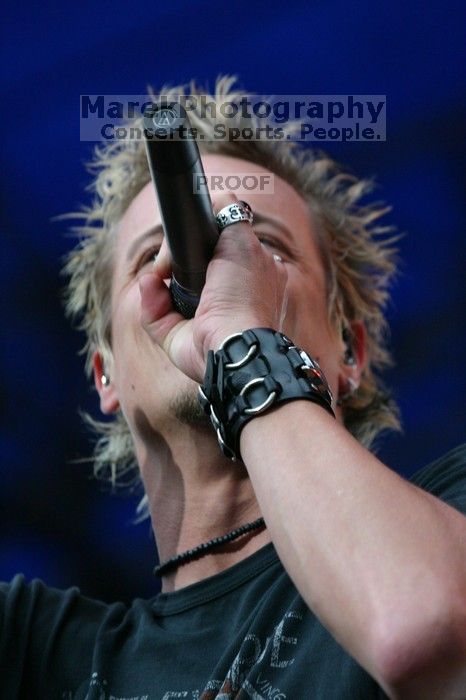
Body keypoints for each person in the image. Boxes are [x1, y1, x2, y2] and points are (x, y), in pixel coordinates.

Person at [1, 77, 465, 699]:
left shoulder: (451, 511)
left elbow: (425, 630)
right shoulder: (33, 654)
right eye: (150, 256)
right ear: (104, 373)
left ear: (349, 352)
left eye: (260, 246)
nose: (204, 274)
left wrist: (239, 340)